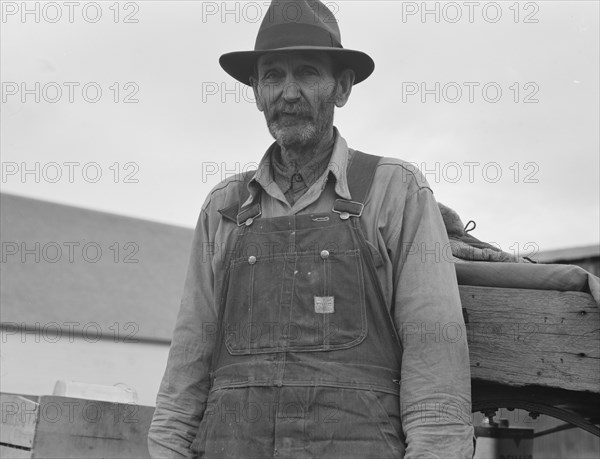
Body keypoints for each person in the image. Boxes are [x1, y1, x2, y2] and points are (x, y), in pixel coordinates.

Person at [148, 1, 473, 457]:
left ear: (341, 88)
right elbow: (187, 363)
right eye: (273, 76)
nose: (289, 92)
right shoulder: (224, 207)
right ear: (257, 93)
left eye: (307, 72)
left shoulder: (394, 191)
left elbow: (434, 366)